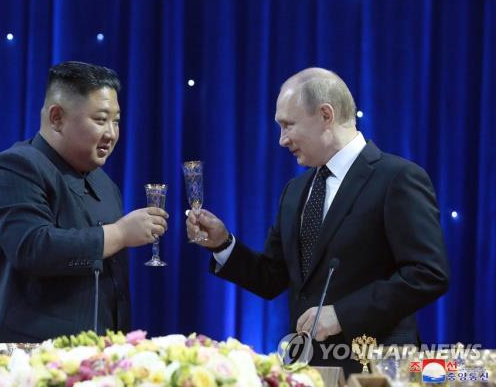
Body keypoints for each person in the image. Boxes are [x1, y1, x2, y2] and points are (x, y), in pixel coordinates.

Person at [186, 67, 449, 374]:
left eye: (288, 125)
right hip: (309, 371)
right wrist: (223, 244)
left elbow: (428, 274)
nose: (282, 140)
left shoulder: (397, 178)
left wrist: (342, 314)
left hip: (377, 370)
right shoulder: (295, 191)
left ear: (326, 115)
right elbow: (272, 277)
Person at [0, 61, 168, 345]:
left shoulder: (105, 185)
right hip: (20, 362)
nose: (111, 133)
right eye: (100, 119)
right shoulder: (12, 167)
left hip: (93, 362)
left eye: (116, 120)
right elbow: (32, 247)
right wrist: (118, 234)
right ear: (57, 117)